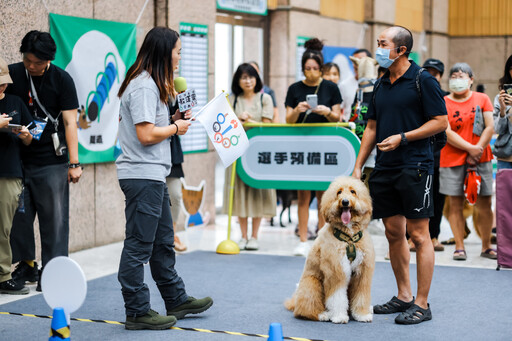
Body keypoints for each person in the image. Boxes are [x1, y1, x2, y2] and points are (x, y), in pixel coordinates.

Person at [116, 27, 212, 330]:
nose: (180, 57)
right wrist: (176, 129)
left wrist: (171, 122)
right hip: (142, 176)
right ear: (164, 52)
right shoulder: (144, 86)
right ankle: (137, 310)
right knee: (138, 246)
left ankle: (176, 298)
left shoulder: (151, 84)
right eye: (178, 51)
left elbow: (149, 128)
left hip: (152, 175)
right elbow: (145, 135)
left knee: (162, 243)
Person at [352, 26, 448, 324]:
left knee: (419, 235)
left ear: (401, 50)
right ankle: (403, 295)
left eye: (383, 44)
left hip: (416, 166)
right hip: (385, 168)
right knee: (394, 233)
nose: (378, 48)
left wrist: (403, 138)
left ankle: (422, 303)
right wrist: (358, 166)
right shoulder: (380, 84)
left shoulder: (423, 81)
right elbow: (371, 127)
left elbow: (441, 122)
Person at [7, 30, 82, 291]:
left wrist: (74, 163)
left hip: (52, 161)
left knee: (54, 221)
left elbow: (71, 122)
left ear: (49, 59)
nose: (31, 66)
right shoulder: (14, 74)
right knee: (18, 218)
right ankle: (26, 265)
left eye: (38, 62)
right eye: (28, 60)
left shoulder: (62, 79)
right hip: (16, 160)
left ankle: (54, 271)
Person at [285, 38, 342, 256]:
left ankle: (320, 236)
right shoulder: (294, 89)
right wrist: (298, 110)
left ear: (321, 69)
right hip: (301, 145)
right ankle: (302, 238)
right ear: (302, 69)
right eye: (307, 68)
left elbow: (337, 116)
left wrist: (325, 111)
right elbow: (288, 120)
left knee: (322, 195)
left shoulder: (331, 87)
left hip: (325, 144)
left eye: (315, 68)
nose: (311, 72)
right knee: (302, 195)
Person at [440, 63, 496, 261]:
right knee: (454, 203)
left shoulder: (482, 99)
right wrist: (469, 148)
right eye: (454, 75)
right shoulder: (443, 101)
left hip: (481, 157)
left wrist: (477, 148)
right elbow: (445, 130)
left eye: (462, 75)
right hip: (452, 158)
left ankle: (487, 245)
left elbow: (490, 126)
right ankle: (459, 245)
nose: (458, 78)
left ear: (471, 79)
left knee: (485, 202)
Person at [222, 63, 276, 251]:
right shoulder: (232, 99)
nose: (248, 81)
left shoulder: (265, 98)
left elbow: (269, 125)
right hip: (237, 153)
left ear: (257, 79)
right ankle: (243, 236)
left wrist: (250, 121)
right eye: (243, 77)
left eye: (251, 77)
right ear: (238, 80)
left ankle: (254, 236)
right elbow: (224, 127)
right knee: (239, 193)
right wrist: (238, 120)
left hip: (259, 154)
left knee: (257, 193)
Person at [0, 57, 33, 295]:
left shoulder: (15, 102)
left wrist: (25, 135)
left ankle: (3, 275)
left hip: (9, 173)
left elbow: (32, 135)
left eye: (3, 83)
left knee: (3, 227)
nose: (2, 87)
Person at [413, 58, 449, 252]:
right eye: (427, 71)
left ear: (440, 76)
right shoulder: (415, 94)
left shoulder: (443, 96)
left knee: (436, 198)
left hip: (439, 157)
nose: (431, 76)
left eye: (435, 73)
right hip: (416, 156)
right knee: (415, 198)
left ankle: (434, 236)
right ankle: (410, 237)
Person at [493, 54, 512, 170]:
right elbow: (498, 129)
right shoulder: (500, 97)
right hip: (506, 155)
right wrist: (502, 110)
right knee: (504, 188)